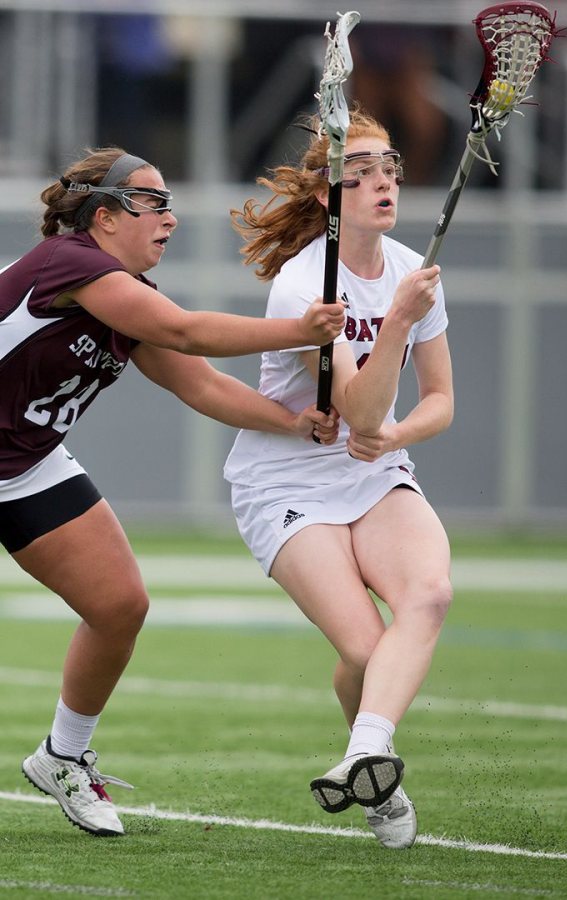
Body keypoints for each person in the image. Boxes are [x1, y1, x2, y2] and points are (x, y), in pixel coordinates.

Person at [2, 147, 344, 837]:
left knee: (120, 604)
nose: (170, 220)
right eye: (152, 204)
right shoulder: (71, 262)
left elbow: (200, 383)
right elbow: (186, 331)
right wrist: (298, 331)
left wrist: (295, 423)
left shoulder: (127, 298)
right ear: (103, 217)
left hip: (24, 466)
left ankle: (63, 756)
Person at [224, 107, 454, 850]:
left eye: (390, 171)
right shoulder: (302, 288)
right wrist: (392, 328)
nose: (383, 185)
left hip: (373, 467)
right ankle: (382, 780)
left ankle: (366, 754)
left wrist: (397, 435)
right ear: (331, 196)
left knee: (430, 595)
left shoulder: (411, 273)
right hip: (287, 481)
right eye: (363, 176)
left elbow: (439, 403)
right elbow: (355, 408)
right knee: (364, 647)